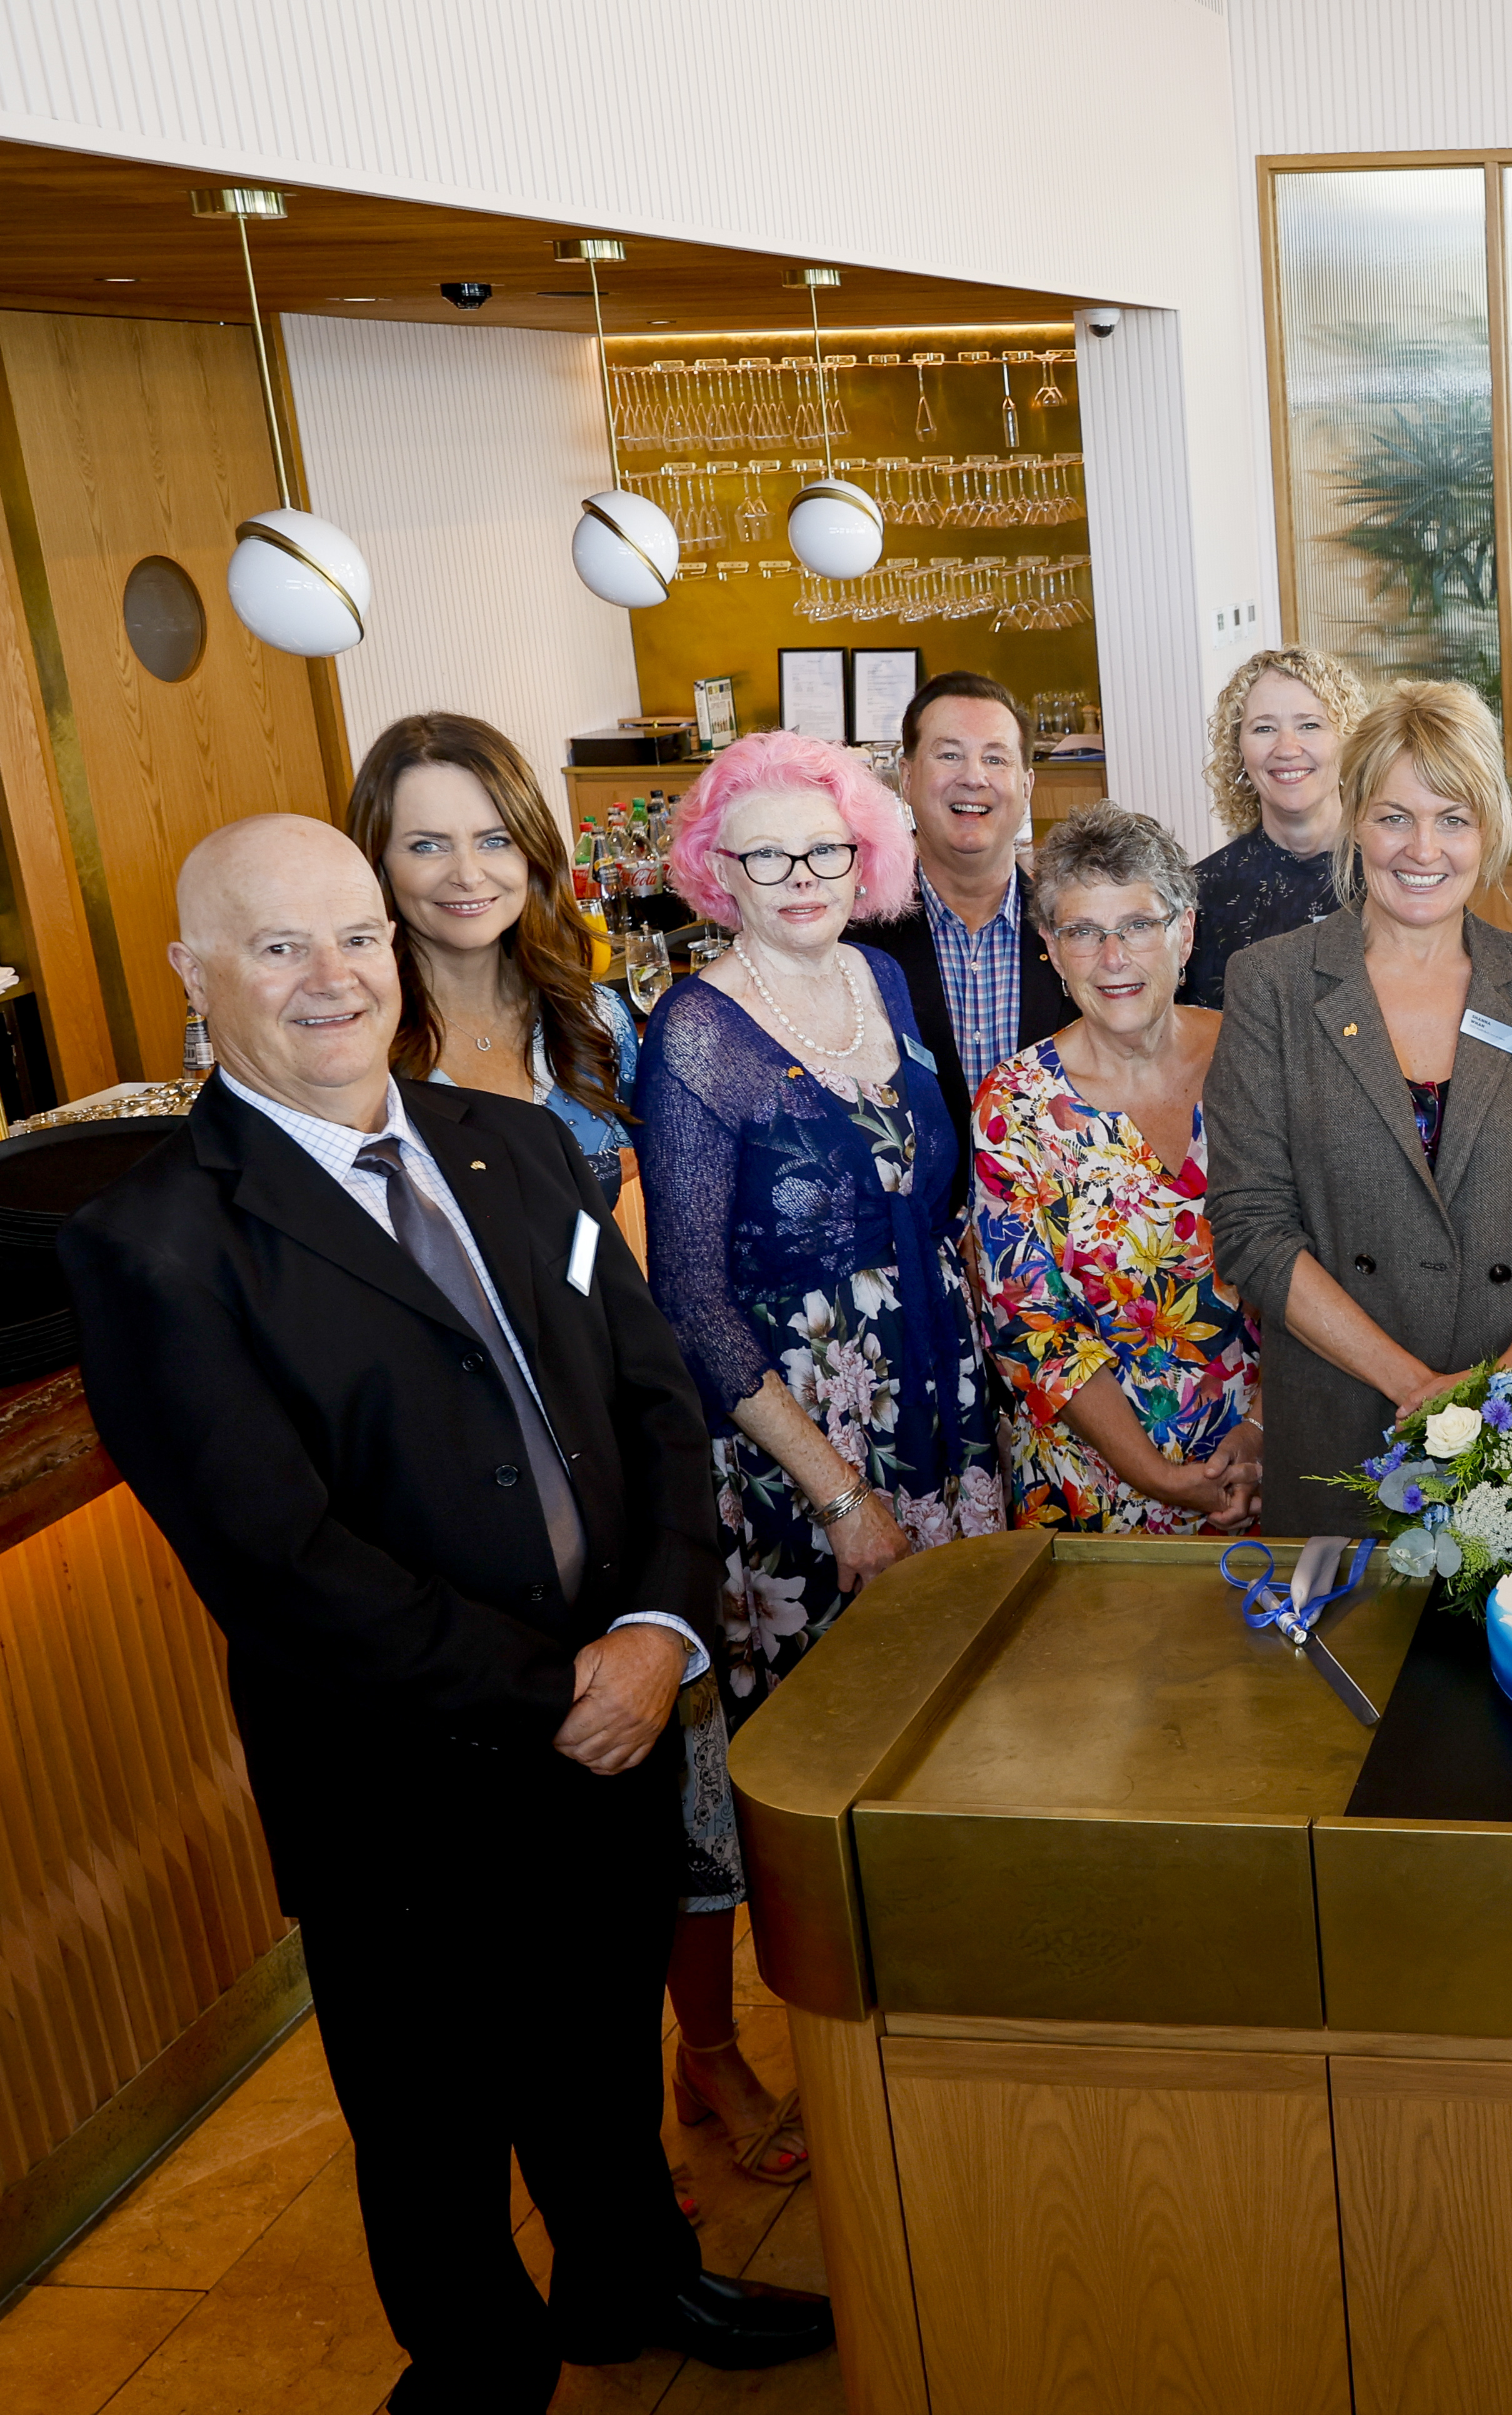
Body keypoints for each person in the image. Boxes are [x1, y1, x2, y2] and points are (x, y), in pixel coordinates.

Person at [58, 817, 831, 2409]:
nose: (333, 978)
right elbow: (279, 1558)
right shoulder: (150, 1242)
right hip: (401, 1779)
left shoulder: (514, 1141)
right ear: (194, 975)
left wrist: (661, 1631)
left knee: (597, 2056)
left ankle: (633, 2281)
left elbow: (656, 1401)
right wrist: (564, 1688)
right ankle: (478, 2371)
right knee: (431, 2120)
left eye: (355, 934)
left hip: (612, 1728)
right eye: (278, 948)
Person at [639, 732, 1005, 2186]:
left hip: (941, 1419)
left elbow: (938, 1203)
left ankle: (914, 2019)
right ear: (713, 874)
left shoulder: (887, 978)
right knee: (788, 1772)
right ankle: (753, 2053)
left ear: (868, 858)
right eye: (766, 856)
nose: (800, 879)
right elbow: (692, 1301)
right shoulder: (699, 1033)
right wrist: (838, 1490)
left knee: (931, 1737)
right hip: (803, 1460)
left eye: (827, 850)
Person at [1207, 680, 1512, 1536]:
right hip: (1345, 1420)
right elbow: (1252, 1229)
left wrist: (1501, 1393)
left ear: (1491, 831)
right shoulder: (1273, 983)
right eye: (1396, 816)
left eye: (1454, 818)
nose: (1422, 849)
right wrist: (1416, 1389)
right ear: (1355, 818)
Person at [972, 808, 1263, 1533]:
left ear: (1185, 932)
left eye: (1138, 925)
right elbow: (1037, 1331)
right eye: (1082, 932)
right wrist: (1158, 1476)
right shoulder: (1015, 1107)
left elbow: (1324, 1256)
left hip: (1271, 1463)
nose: (1113, 957)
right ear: (1051, 947)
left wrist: (1264, 1431)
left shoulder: (1260, 1061)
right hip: (1096, 1494)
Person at [346, 711, 641, 1204]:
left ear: (532, 851)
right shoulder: (352, 1040)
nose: (467, 874)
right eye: (426, 846)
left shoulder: (596, 1019)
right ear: (378, 864)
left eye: (495, 841)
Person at [846, 668, 1072, 1106]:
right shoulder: (854, 940)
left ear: (1026, 786)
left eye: (996, 759)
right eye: (950, 755)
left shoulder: (1074, 929)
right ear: (907, 779)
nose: (974, 777)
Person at [1179, 645, 1366, 1012]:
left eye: (1309, 725)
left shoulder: (1396, 875)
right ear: (1239, 750)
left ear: (1348, 741)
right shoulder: (1200, 894)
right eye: (1264, 728)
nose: (1287, 748)